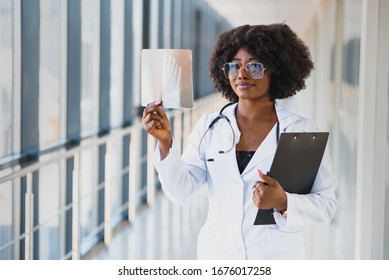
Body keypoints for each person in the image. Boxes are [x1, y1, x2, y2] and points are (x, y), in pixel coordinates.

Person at [142, 23, 339, 260]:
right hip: (218, 256)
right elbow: (183, 193)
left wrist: (284, 202)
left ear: (275, 70)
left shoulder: (300, 130)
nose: (242, 74)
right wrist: (165, 145)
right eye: (234, 66)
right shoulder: (209, 126)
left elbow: (326, 205)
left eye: (254, 66)